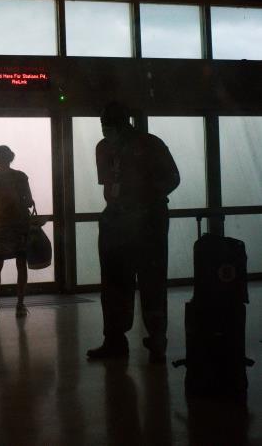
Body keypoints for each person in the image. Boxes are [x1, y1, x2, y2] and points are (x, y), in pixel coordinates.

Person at [87, 102, 180, 363]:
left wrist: (142, 201)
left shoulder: (149, 144)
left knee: (151, 280)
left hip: (147, 221)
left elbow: (172, 178)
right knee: (115, 283)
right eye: (104, 124)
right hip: (118, 221)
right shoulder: (105, 147)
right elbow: (109, 185)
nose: (105, 129)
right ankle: (115, 338)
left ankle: (156, 338)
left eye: (109, 123)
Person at [0, 145, 34, 319]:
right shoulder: (21, 176)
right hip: (21, 226)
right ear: (11, 158)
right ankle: (20, 305)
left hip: (2, 226)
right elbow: (29, 202)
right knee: (21, 264)